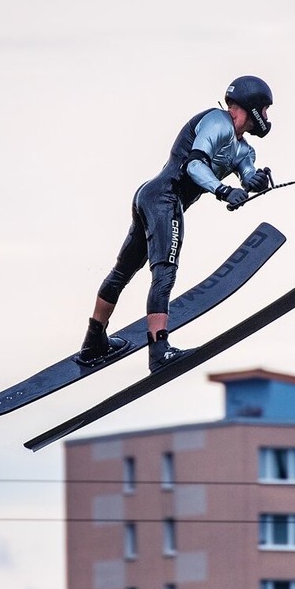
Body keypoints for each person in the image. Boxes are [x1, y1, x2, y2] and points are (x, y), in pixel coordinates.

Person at [77, 75, 274, 371]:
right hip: (163, 198)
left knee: (123, 271)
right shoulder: (218, 121)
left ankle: (93, 343)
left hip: (153, 198)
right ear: (253, 106)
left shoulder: (244, 149)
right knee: (165, 271)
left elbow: (247, 175)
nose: (267, 117)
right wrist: (223, 191)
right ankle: (159, 351)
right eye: (266, 109)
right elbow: (194, 164)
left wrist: (255, 181)